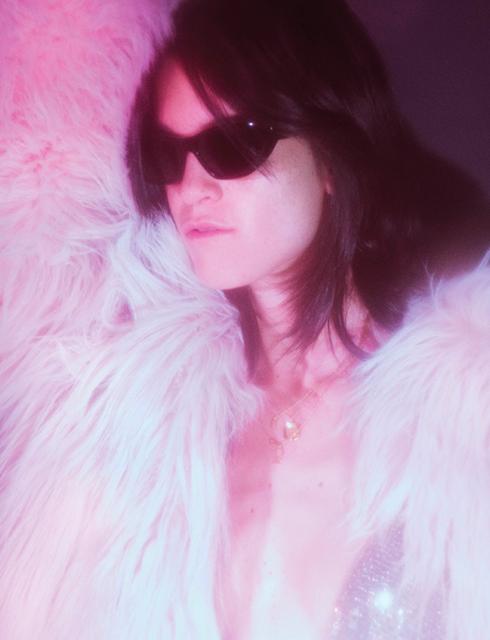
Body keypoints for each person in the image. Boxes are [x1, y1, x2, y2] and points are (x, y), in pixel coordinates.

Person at [0, 0, 489, 639]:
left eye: (235, 145)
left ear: (331, 158)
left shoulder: (463, 410)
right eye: (167, 153)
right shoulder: (143, 428)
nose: (191, 186)